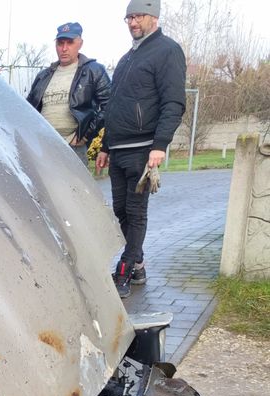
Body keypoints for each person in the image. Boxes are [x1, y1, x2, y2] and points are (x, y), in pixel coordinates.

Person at [96, 0, 186, 298]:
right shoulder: (126, 59)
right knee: (120, 210)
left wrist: (160, 145)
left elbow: (173, 103)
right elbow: (114, 108)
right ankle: (138, 263)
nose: (133, 23)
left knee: (135, 212)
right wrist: (106, 145)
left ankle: (124, 269)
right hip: (119, 148)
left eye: (138, 16)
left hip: (143, 147)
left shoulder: (167, 51)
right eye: (129, 17)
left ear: (154, 17)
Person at [26, 22, 111, 163]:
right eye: (60, 43)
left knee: (74, 186)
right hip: (44, 147)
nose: (64, 48)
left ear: (80, 43)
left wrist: (86, 134)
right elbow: (28, 109)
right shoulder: (43, 75)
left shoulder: (93, 71)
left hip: (74, 148)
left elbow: (110, 105)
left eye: (70, 43)